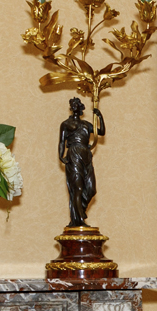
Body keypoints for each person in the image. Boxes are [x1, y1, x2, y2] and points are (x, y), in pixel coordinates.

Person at [58, 97, 104, 228]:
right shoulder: (66, 124)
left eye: (76, 104)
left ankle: (80, 210)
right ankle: (78, 220)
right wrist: (61, 156)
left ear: (81, 107)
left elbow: (101, 132)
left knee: (91, 189)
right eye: (72, 104)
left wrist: (99, 116)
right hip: (74, 154)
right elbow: (61, 142)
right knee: (77, 188)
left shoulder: (86, 124)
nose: (74, 106)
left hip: (86, 155)